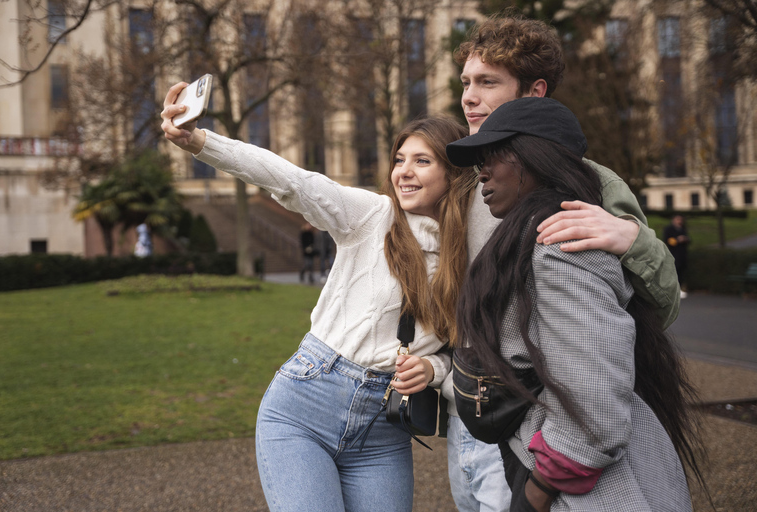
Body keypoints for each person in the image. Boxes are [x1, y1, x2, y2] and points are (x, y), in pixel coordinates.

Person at [161, 90, 477, 512]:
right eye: (399, 160)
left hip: (383, 435)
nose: (404, 172)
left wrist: (432, 368)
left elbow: (463, 347)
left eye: (422, 161)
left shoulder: (471, 250)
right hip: (305, 408)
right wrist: (201, 142)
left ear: (453, 173)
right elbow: (291, 180)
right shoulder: (371, 215)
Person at [442, 14, 682, 512]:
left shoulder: (586, 188)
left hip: (549, 428)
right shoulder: (471, 181)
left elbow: (653, 310)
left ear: (534, 94)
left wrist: (634, 240)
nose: (468, 96)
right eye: (465, 82)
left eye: (487, 82)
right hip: (480, 415)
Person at [663, 215, 691, 298]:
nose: (679, 221)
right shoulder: (669, 229)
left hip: (682, 254)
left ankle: (680, 289)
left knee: (681, 272)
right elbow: (668, 241)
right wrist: (678, 240)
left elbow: (689, 239)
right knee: (674, 272)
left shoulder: (683, 229)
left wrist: (685, 239)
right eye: (677, 219)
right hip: (674, 254)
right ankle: (673, 290)